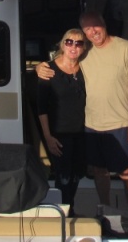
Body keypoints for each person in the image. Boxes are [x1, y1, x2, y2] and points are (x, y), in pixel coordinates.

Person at [37, 11, 128, 210]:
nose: (93, 31)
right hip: (91, 125)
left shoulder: (125, 48)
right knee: (99, 171)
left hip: (120, 123)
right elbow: (61, 63)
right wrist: (39, 67)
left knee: (127, 173)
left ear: (104, 24)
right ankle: (105, 209)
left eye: (96, 25)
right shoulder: (84, 51)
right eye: (87, 28)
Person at [36, 29, 87, 212]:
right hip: (59, 134)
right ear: (62, 44)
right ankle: (63, 214)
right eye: (69, 42)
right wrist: (48, 137)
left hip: (82, 133)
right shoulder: (48, 70)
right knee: (63, 177)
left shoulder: (86, 69)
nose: (74, 46)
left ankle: (69, 208)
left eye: (79, 43)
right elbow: (41, 108)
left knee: (76, 175)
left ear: (84, 48)